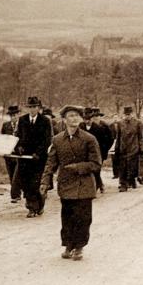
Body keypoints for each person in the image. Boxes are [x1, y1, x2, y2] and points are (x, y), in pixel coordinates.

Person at [40, 105, 102, 261]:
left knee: (83, 217)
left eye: (77, 116)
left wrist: (78, 167)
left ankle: (79, 247)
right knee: (67, 216)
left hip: (84, 183)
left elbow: (96, 163)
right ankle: (68, 245)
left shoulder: (89, 139)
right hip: (66, 183)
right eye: (71, 116)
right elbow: (51, 163)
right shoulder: (57, 139)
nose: (74, 118)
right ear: (64, 120)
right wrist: (45, 181)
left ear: (81, 119)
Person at [14, 96, 53, 217]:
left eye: (34, 107)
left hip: (39, 159)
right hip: (24, 158)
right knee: (26, 183)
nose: (32, 109)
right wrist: (19, 147)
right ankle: (31, 207)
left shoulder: (45, 121)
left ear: (39, 107)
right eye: (30, 107)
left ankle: (39, 205)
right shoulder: (22, 120)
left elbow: (47, 140)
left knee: (35, 184)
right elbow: (17, 136)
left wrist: (39, 152)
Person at [114, 106, 143, 192]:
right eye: (126, 114)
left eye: (129, 114)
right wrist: (117, 148)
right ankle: (123, 184)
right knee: (122, 166)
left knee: (132, 166)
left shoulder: (138, 123)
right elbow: (118, 137)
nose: (127, 116)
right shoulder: (120, 123)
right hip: (123, 148)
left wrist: (142, 148)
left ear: (132, 114)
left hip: (134, 148)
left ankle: (131, 179)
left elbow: (141, 136)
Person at [1, 105, 22, 203]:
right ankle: (17, 194)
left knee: (17, 175)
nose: (13, 117)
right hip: (8, 154)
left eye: (15, 114)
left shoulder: (23, 124)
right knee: (11, 173)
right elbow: (2, 138)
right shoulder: (6, 125)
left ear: (18, 114)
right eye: (11, 115)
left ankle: (15, 195)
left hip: (19, 154)